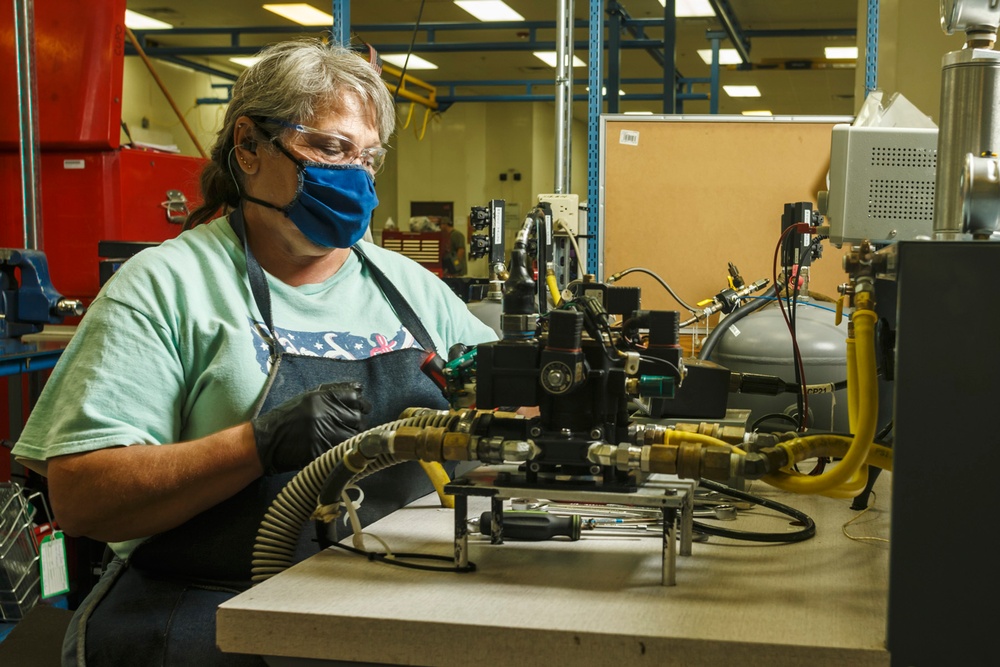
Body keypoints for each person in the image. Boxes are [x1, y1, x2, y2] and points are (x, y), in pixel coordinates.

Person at [11, 39, 497, 666]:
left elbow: (508, 409)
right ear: (248, 145)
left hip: (389, 601)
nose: (353, 175)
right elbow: (82, 498)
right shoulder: (167, 285)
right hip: (208, 612)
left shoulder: (409, 288)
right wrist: (257, 444)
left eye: (368, 158)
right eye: (330, 147)